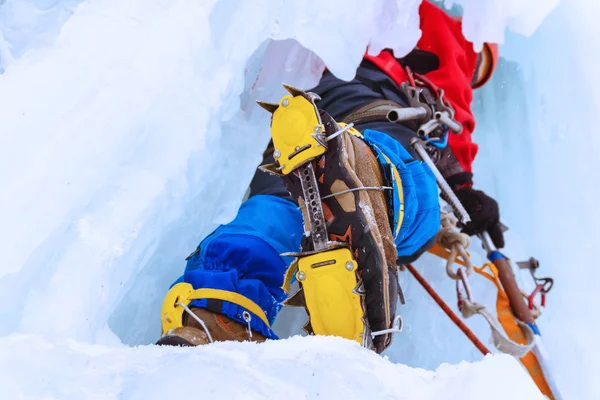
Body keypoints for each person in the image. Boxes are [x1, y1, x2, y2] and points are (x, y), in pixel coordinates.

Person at [157, 0, 500, 352]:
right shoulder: (450, 32)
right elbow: (456, 117)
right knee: (417, 204)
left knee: (281, 201)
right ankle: (370, 179)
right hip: (373, 103)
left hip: (296, 105)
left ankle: (219, 314)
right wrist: (464, 186)